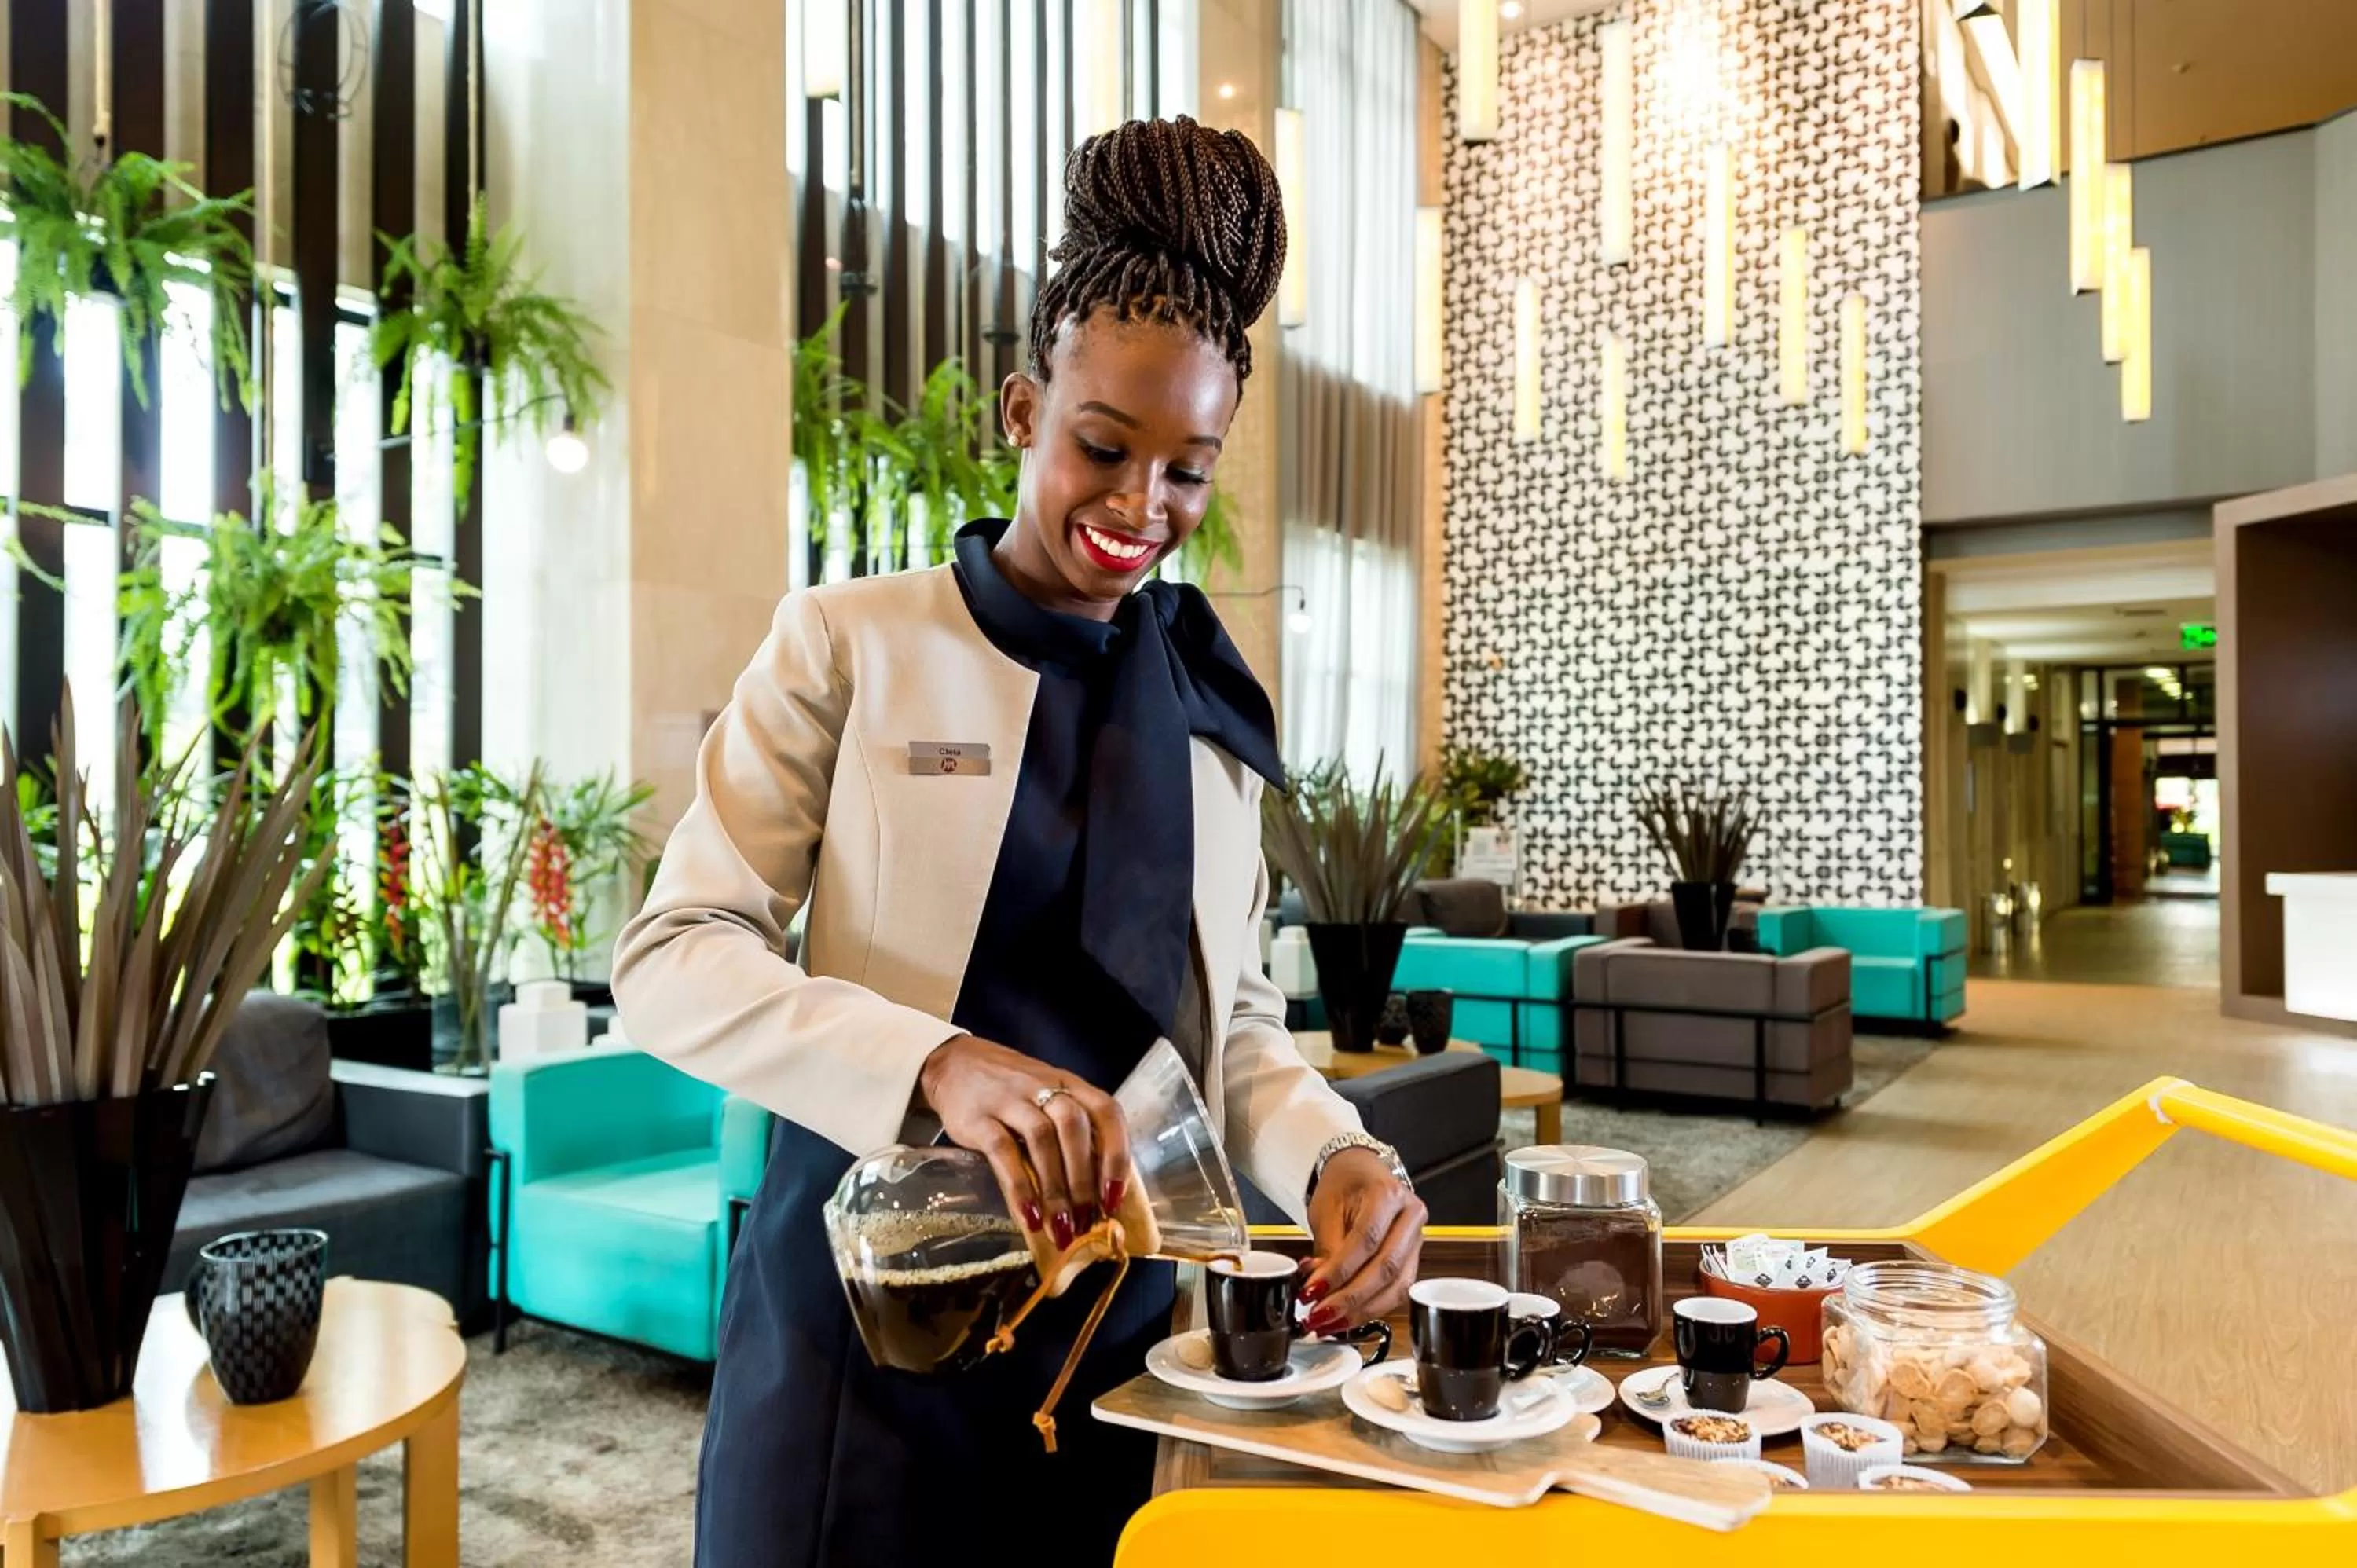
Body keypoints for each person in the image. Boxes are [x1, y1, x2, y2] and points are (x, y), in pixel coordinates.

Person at [613, 115, 1427, 1568]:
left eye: (1188, 470)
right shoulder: (850, 645)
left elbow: (1235, 1041)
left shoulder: (1209, 723)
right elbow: (672, 957)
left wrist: (1342, 1163)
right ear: (1018, 409)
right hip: (862, 1332)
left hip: (1113, 1359)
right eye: (1102, 448)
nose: (1140, 508)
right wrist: (932, 1060)